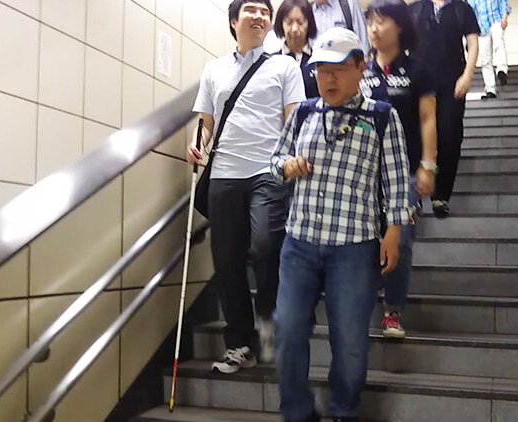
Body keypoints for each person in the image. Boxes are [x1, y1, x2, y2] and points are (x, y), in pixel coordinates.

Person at [271, 27, 411, 422]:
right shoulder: (302, 113)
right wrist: (287, 165)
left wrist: (394, 231)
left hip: (354, 247)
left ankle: (344, 411)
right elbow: (276, 159)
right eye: (320, 70)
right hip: (299, 243)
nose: (326, 79)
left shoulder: (382, 116)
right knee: (288, 331)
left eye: (337, 70)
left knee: (349, 342)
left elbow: (397, 180)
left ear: (360, 67)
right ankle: (297, 413)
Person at [186, 0, 305, 373]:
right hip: (223, 175)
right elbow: (205, 122)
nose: (258, 15)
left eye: (264, 10)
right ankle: (239, 344)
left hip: (268, 172)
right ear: (233, 21)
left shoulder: (285, 66)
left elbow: (294, 120)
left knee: (267, 246)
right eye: (250, 9)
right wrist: (195, 144)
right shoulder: (214, 69)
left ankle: (268, 318)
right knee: (226, 260)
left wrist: (291, 162)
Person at [362, 0, 437, 338]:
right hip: (361, 171)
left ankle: (392, 310)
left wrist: (428, 166)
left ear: (400, 26)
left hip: (402, 171)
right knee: (364, 240)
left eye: (382, 21)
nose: (374, 29)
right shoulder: (359, 70)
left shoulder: (419, 70)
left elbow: (427, 119)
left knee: (401, 239)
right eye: (370, 22)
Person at [410, 0, 479, 217]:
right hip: (419, 84)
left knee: (449, 137)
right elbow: (402, 42)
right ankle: (415, 197)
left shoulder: (462, 9)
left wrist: (467, 75)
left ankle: (441, 196)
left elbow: (473, 42)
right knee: (416, 139)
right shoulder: (415, 9)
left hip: (451, 83)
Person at [273, 0, 320, 98]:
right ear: (281, 24)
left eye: (300, 22)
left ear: (309, 23)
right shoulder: (271, 62)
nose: (294, 29)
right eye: (289, 22)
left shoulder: (319, 60)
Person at [468, 0, 511, 99]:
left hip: (496, 21)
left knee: (498, 43)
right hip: (481, 28)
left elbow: (503, 3)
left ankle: (502, 70)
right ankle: (490, 89)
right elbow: (470, 11)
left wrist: (504, 17)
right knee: (485, 59)